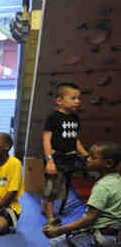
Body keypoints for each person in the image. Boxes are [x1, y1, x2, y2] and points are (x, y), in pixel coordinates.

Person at [42, 142, 121, 247]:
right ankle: (108, 246)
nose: (87, 159)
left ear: (108, 163)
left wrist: (59, 230)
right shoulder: (117, 180)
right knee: (59, 240)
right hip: (113, 233)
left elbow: (89, 219)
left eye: (93, 158)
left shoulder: (103, 186)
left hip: (102, 237)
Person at [42, 83, 88, 225]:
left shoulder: (75, 118)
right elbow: (46, 139)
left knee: (62, 186)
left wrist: (86, 155)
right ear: (59, 100)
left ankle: (47, 207)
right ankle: (50, 217)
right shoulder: (53, 117)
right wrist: (49, 160)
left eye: (78, 98)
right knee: (51, 186)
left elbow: (75, 140)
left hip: (70, 157)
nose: (77, 101)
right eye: (73, 98)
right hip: (56, 157)